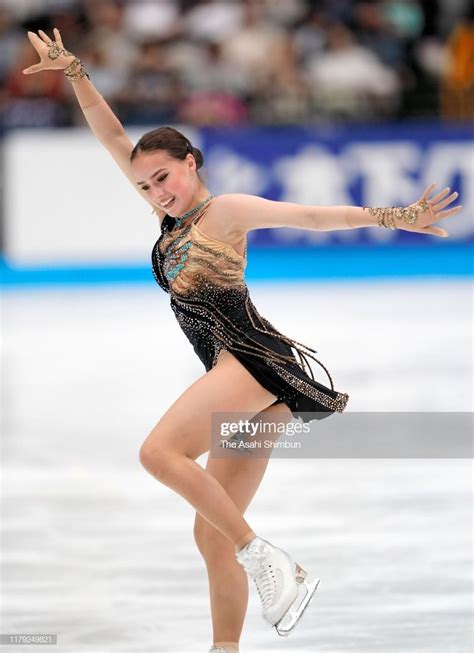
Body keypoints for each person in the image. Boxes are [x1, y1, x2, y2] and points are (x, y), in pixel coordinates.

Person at [23, 29, 462, 653]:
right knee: (210, 532)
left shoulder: (223, 210)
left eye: (164, 177)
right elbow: (112, 134)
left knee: (158, 455)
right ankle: (225, 647)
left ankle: (268, 559)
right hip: (257, 387)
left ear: (191, 163)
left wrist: (395, 217)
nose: (156, 192)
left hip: (252, 365)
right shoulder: (168, 213)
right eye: (145, 185)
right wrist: (74, 73)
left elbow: (309, 216)